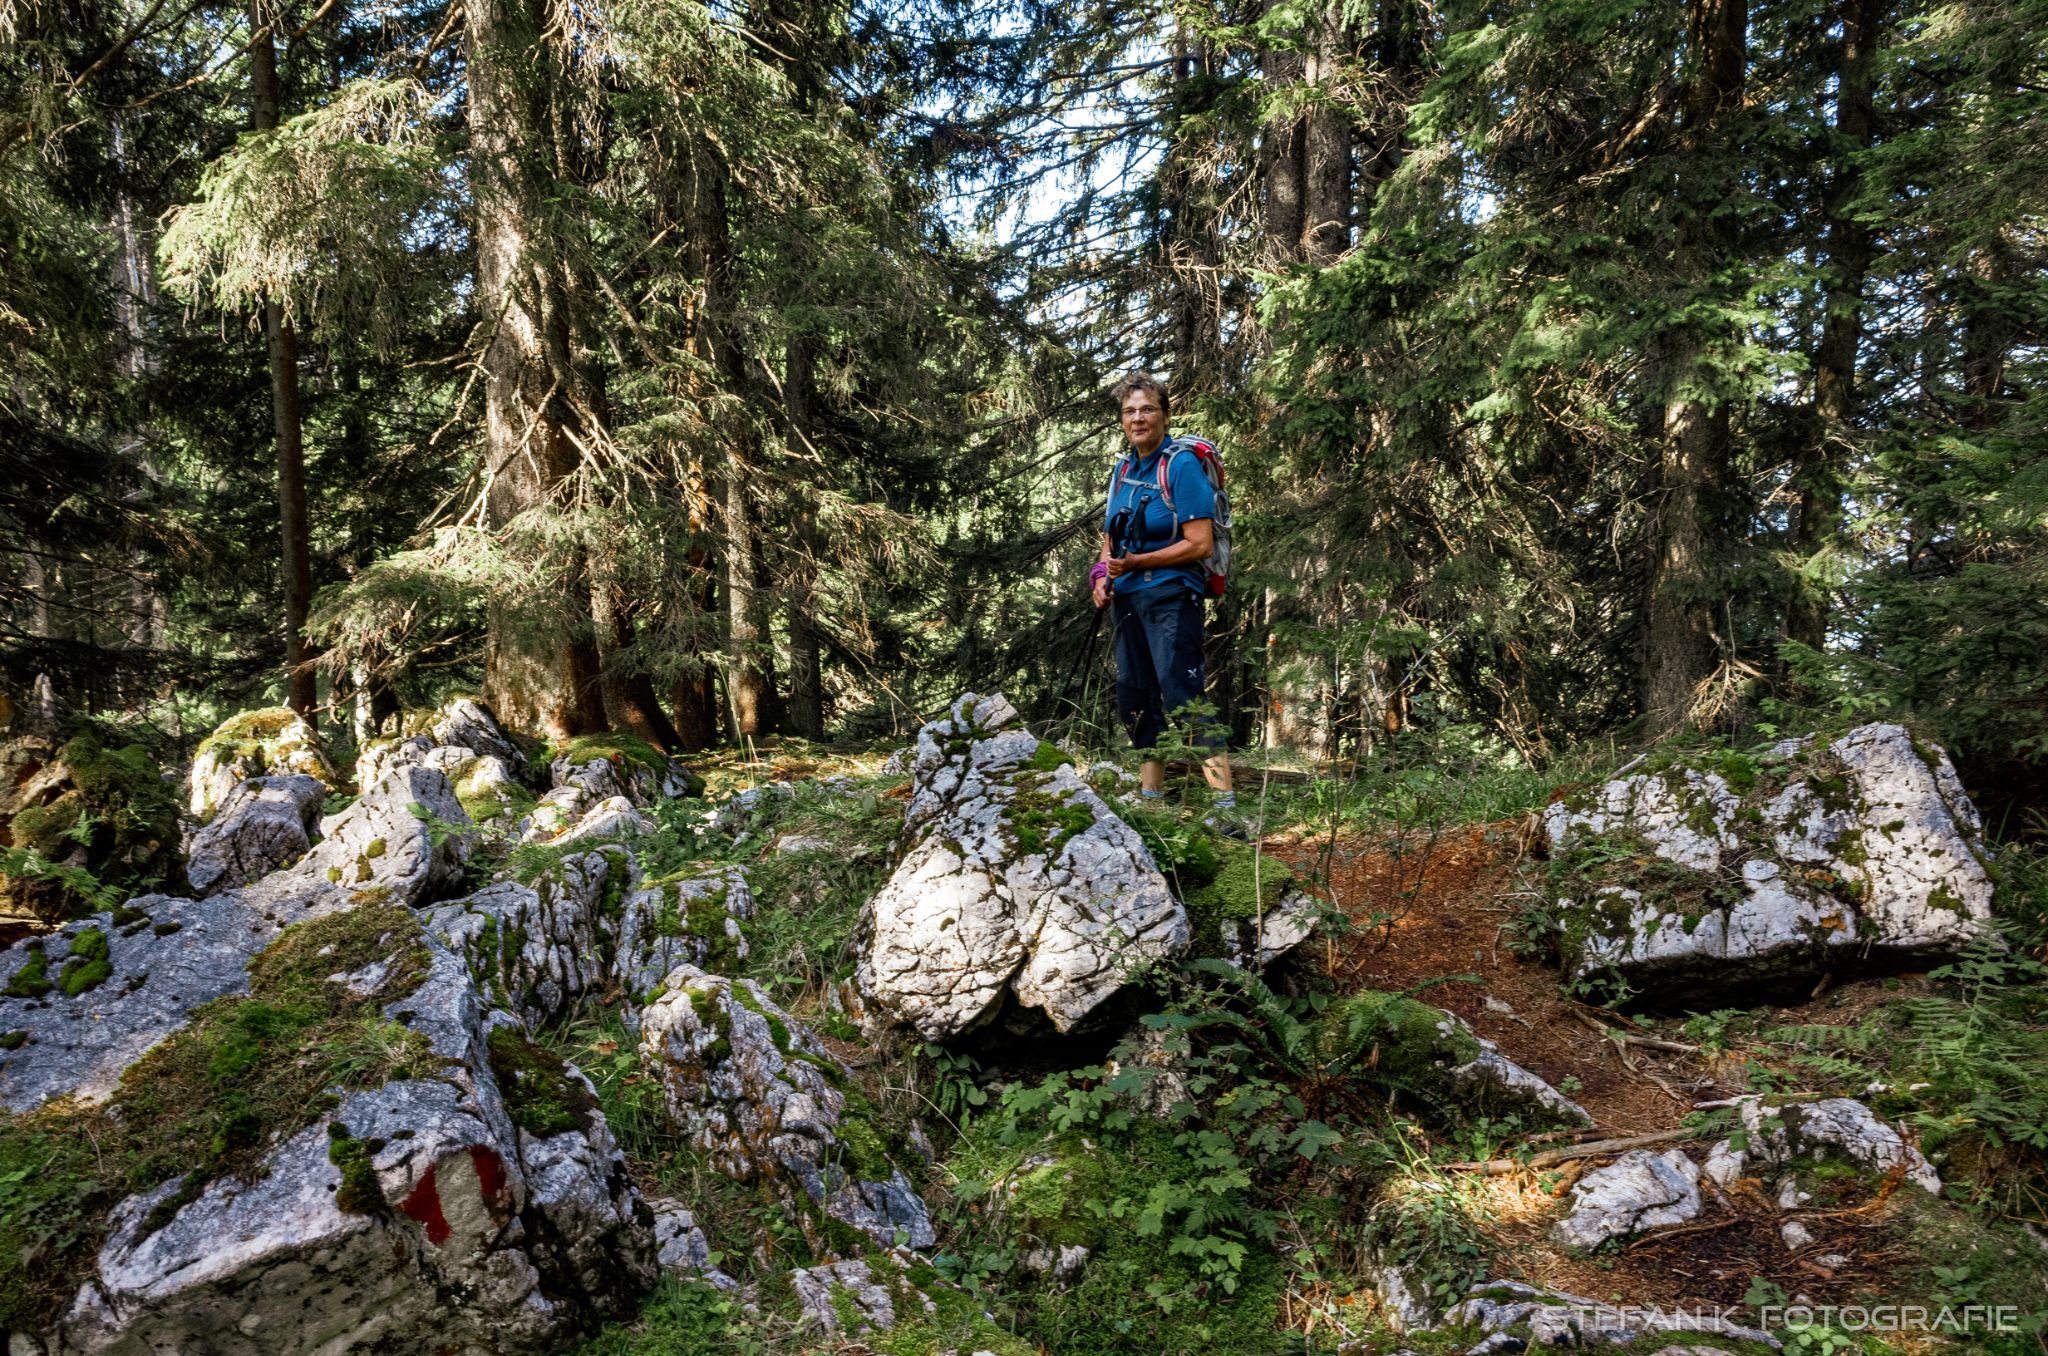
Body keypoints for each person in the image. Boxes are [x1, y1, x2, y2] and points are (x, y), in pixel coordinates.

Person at [1091, 371, 1241, 833]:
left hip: (1173, 596)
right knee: (1135, 698)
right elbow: (1109, 537)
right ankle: (1151, 801)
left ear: (1165, 415)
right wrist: (1101, 575)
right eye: (1130, 411)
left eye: (1147, 409)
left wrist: (1137, 562)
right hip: (1129, 600)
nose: (1138, 418)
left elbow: (1199, 543)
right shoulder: (1123, 469)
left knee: (1183, 696)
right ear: (1122, 420)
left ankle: (1226, 811)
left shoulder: (1178, 465)